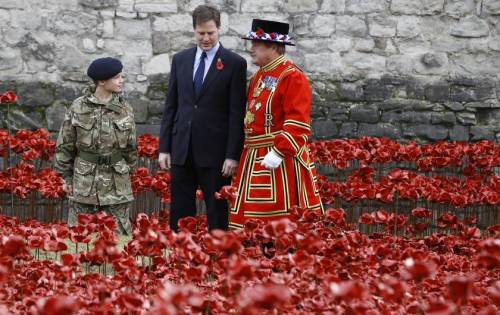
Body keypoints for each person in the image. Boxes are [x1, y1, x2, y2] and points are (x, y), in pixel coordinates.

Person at [158, 5, 247, 232]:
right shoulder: (180, 60)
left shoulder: (235, 63)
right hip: (182, 148)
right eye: (201, 33)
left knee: (216, 211)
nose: (205, 38)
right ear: (194, 30)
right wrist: (164, 148)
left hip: (215, 153)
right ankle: (180, 255)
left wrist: (231, 155)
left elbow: (236, 113)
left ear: (219, 29)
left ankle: (217, 256)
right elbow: (171, 106)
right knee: (180, 209)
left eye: (210, 33)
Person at [229, 19, 324, 229]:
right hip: (253, 156)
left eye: (256, 44)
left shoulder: (292, 76)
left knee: (277, 224)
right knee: (249, 224)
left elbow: (298, 121)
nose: (251, 48)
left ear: (273, 47)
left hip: (279, 161)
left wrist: (280, 151)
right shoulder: (258, 76)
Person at [54, 57, 137, 235]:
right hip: (85, 182)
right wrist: (66, 178)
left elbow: (131, 148)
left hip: (117, 183)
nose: (121, 80)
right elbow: (65, 145)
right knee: (80, 235)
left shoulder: (125, 109)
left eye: (121, 76)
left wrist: (127, 174)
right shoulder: (78, 107)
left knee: (118, 236)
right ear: (101, 81)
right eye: (117, 77)